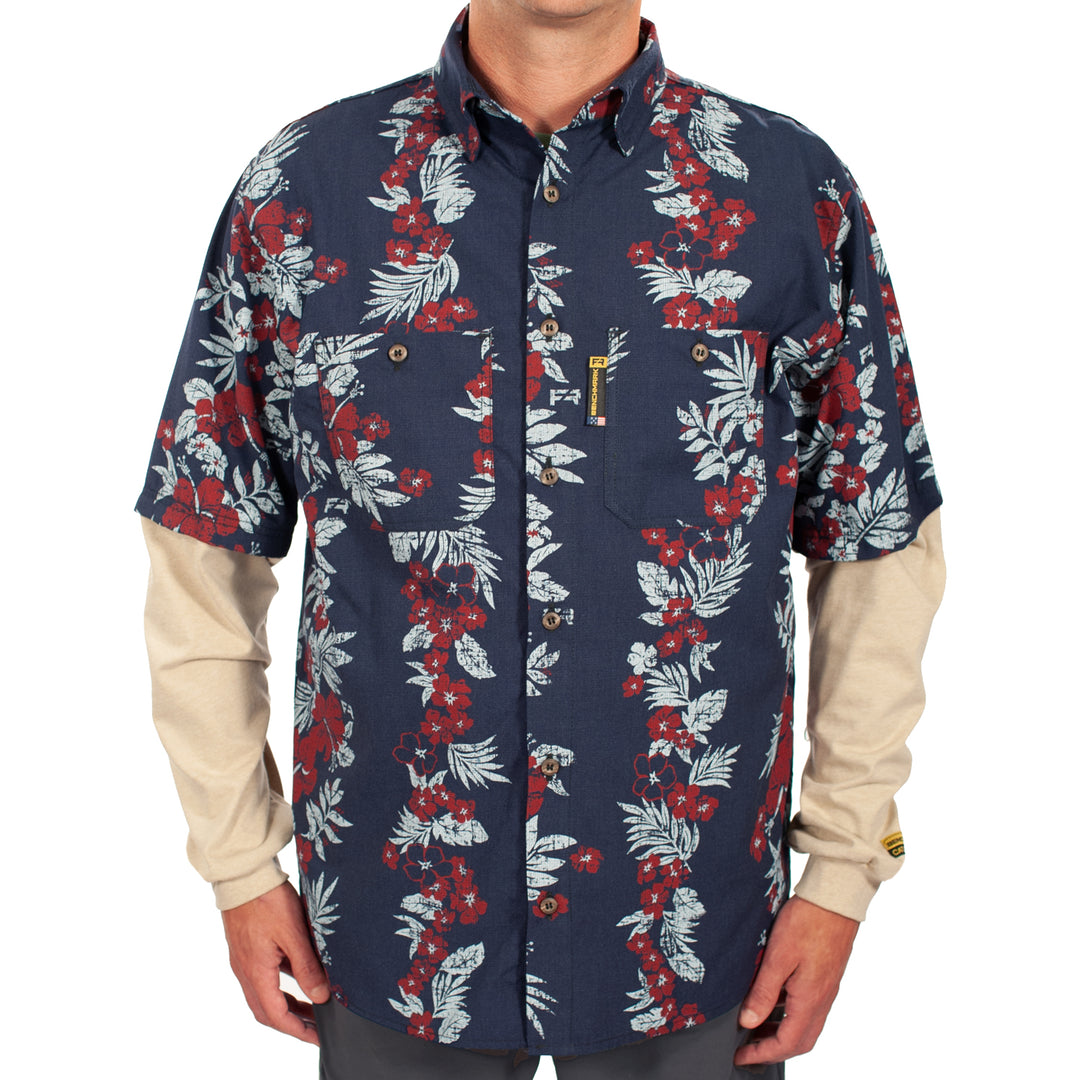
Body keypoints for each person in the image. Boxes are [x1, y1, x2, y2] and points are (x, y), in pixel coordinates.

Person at [137, 2, 945, 1077]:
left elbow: (878, 542)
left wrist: (845, 869)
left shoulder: (789, 192)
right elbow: (204, 545)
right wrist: (239, 863)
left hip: (695, 930)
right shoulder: (304, 189)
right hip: (392, 926)